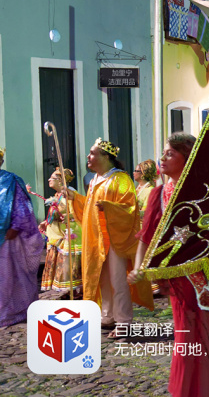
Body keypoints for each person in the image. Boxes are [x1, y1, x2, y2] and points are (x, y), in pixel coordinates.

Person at [128, 133, 209, 397]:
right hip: (180, 283)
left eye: (170, 153)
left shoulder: (208, 192)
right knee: (186, 337)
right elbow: (146, 238)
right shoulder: (158, 195)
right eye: (164, 152)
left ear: (187, 157)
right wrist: (138, 268)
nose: (163, 157)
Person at [50, 138, 152, 333]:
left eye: (92, 153)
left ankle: (124, 321)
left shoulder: (120, 179)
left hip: (115, 238)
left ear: (106, 156)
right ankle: (107, 315)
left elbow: (130, 206)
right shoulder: (95, 179)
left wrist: (110, 207)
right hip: (97, 238)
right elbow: (89, 205)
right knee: (101, 277)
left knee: (117, 279)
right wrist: (76, 198)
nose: (88, 157)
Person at [0, 148, 44, 327]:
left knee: (7, 275)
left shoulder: (11, 180)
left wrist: (16, 226)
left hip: (7, 237)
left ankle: (11, 311)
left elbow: (22, 205)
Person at [35, 169, 83, 294]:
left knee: (67, 264)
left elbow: (74, 212)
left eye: (52, 178)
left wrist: (63, 217)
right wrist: (46, 222)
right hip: (57, 234)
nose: (48, 180)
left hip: (69, 233)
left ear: (61, 180)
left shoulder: (70, 193)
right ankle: (64, 292)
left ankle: (72, 292)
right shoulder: (57, 195)